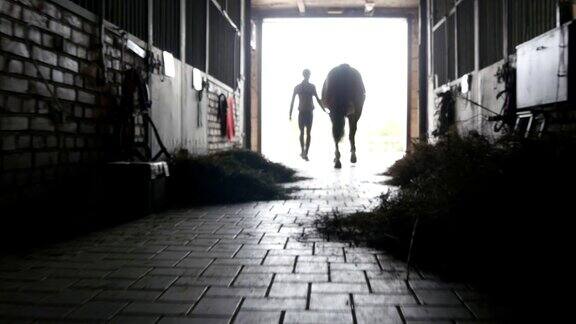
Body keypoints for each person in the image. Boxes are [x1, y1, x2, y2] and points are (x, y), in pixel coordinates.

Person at [289, 69, 325, 160]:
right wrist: (290, 113)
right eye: (307, 74)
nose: (307, 76)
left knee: (306, 133)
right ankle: (303, 151)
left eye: (307, 74)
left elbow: (317, 99)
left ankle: (305, 152)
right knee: (304, 133)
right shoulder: (300, 87)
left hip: (307, 112)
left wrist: (324, 109)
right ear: (306, 75)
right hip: (304, 112)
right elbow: (292, 101)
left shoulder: (309, 87)